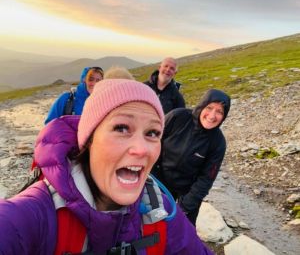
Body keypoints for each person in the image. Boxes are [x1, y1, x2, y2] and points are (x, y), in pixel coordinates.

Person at [0, 79, 213, 254]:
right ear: (89, 140)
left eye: (152, 133)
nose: (141, 149)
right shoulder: (35, 216)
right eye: (121, 128)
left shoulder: (159, 210)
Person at [152, 89, 231, 226]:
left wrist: (184, 208)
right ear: (202, 106)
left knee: (183, 229)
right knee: (152, 221)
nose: (212, 116)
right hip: (160, 179)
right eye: (210, 108)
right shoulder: (177, 117)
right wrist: (150, 179)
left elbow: (206, 179)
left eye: (219, 112)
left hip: (188, 189)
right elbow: (153, 143)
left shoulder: (218, 142)